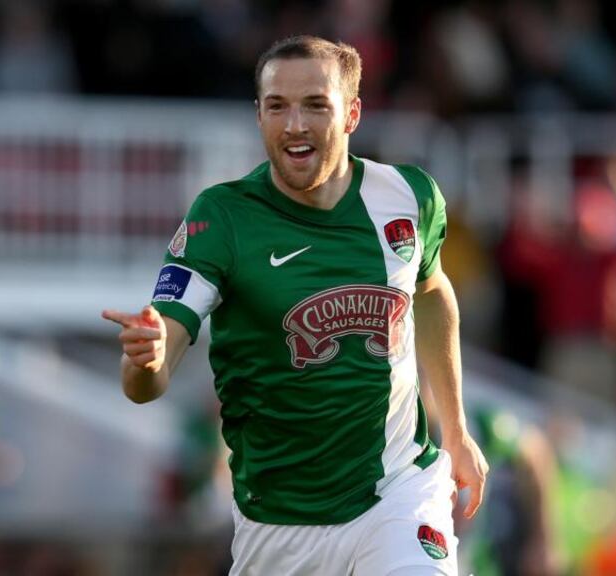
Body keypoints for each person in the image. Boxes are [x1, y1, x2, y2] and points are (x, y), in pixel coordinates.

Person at [102, 35, 488, 575]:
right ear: (258, 115)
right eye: (277, 106)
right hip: (279, 525)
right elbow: (150, 374)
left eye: (315, 105)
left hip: (398, 492)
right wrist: (144, 359)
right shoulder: (221, 219)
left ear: (352, 113)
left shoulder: (409, 197)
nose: (295, 125)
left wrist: (456, 428)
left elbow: (431, 291)